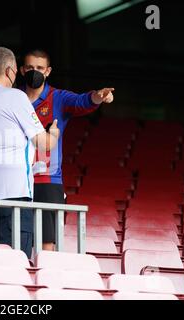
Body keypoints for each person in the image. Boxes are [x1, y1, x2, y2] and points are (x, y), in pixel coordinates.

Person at [0, 47, 60, 258]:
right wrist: (54, 133)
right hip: (12, 199)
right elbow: (44, 143)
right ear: (9, 71)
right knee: (13, 269)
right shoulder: (15, 96)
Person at [20, 49, 115, 251]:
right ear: (21, 70)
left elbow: (82, 102)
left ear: (48, 71)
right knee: (17, 240)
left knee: (47, 243)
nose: (34, 71)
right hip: (16, 178)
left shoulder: (58, 98)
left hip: (48, 179)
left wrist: (98, 96)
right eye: (29, 67)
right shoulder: (13, 98)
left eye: (39, 68)